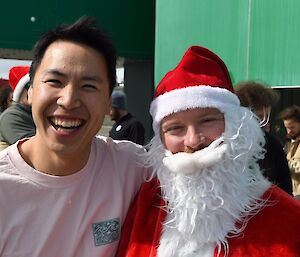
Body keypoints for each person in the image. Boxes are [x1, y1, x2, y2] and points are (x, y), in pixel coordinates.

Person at [117, 46, 300, 257]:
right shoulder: (146, 204)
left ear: (234, 125)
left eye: (207, 120)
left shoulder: (286, 217)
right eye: (175, 128)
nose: (193, 141)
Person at [0, 17, 149, 257]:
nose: (69, 100)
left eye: (88, 86)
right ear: (31, 93)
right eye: (54, 81)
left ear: (108, 101)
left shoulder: (132, 167)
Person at [234, 81, 293, 195]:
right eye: (258, 116)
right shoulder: (227, 142)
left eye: (264, 116)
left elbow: (285, 187)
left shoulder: (272, 144)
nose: (262, 121)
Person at [0, 66, 36, 151]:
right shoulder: (11, 116)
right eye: (28, 85)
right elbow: (35, 150)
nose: (32, 89)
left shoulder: (32, 112)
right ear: (19, 90)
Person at [279, 105, 300, 197]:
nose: (288, 132)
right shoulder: (289, 142)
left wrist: (285, 163)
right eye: (286, 127)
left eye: (292, 127)